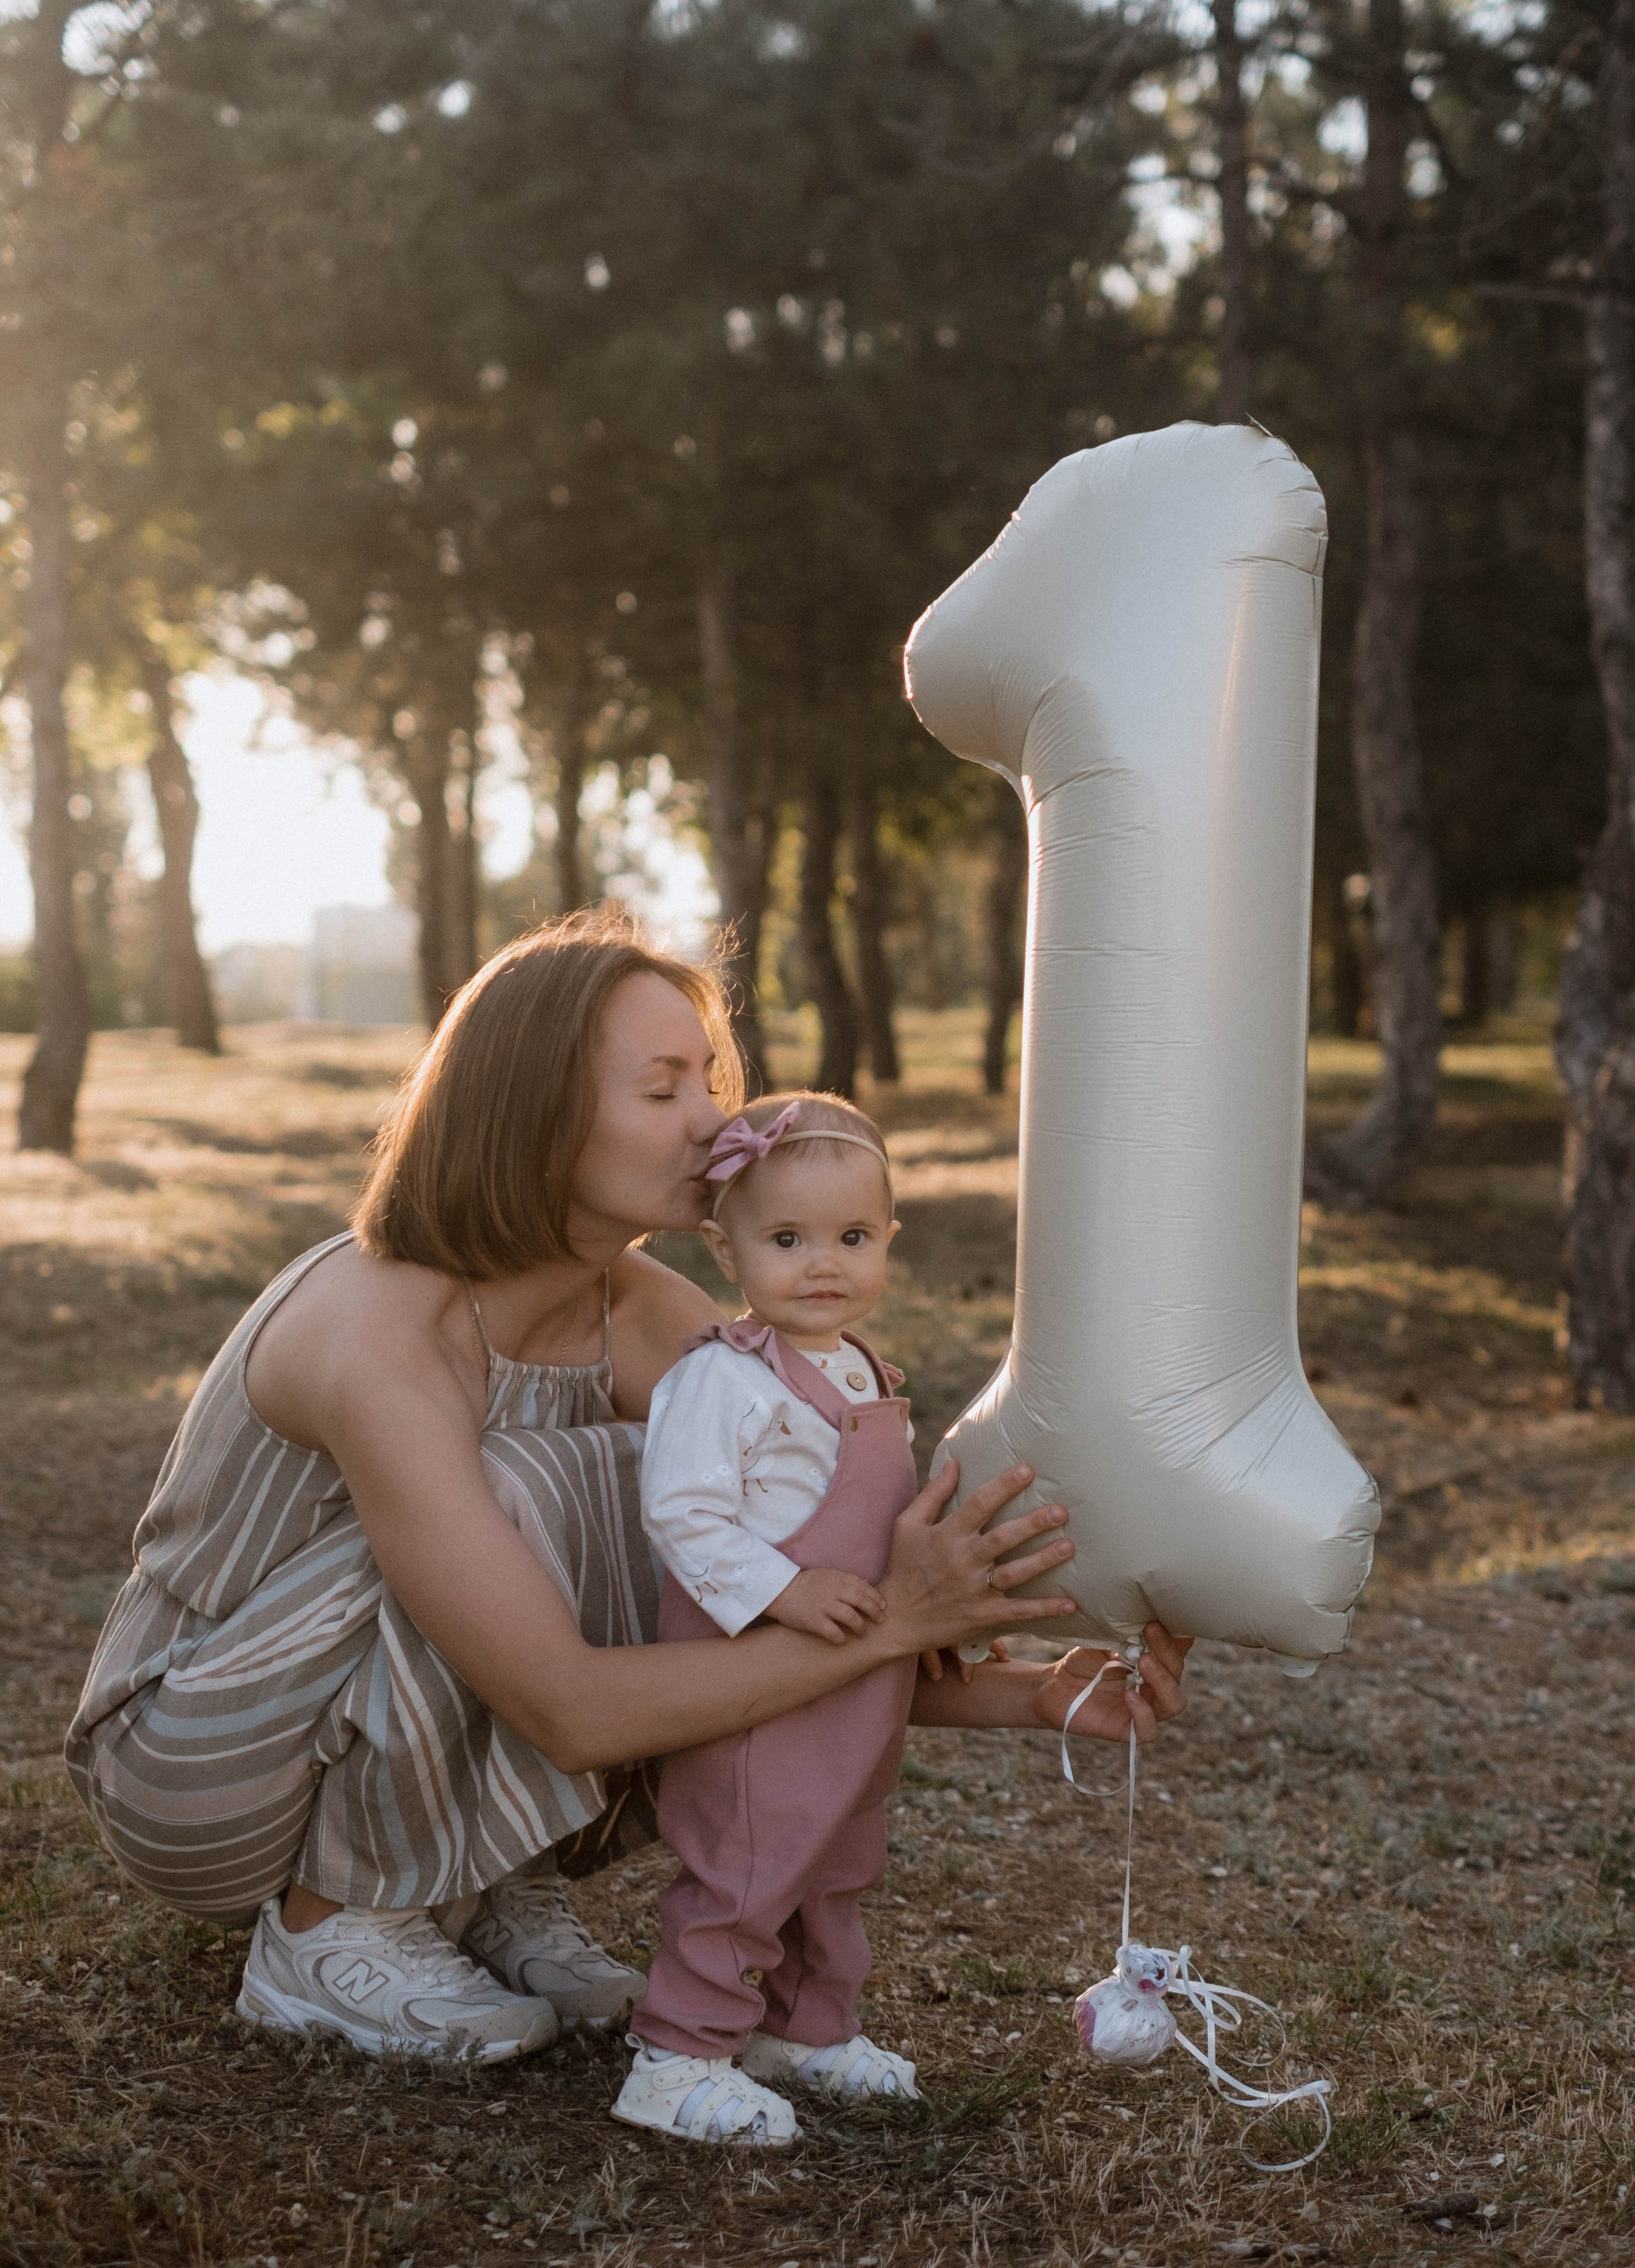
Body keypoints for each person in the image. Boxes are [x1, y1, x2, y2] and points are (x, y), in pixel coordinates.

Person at [65, 909, 1189, 2070]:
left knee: (721, 1492)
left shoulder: (655, 1317)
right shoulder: (379, 1335)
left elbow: (818, 1588)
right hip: (202, 1762)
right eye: (663, 1091)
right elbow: (572, 1708)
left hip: (371, 1715)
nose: (713, 1121)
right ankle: (327, 1927)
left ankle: (480, 1881)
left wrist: (1028, 1691)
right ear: (536, 1114)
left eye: (709, 1079)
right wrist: (893, 1621)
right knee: (584, 1482)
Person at [618, 1092, 925, 2147]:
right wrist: (784, 1591)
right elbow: (684, 1513)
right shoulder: (723, 1377)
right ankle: (677, 2056)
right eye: (786, 1239)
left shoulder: (868, 1373)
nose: (821, 1263)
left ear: (887, 1239)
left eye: (850, 1237)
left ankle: (805, 2027)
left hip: (855, 1679)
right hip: (753, 1675)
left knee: (835, 1859)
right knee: (748, 1864)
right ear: (726, 1248)